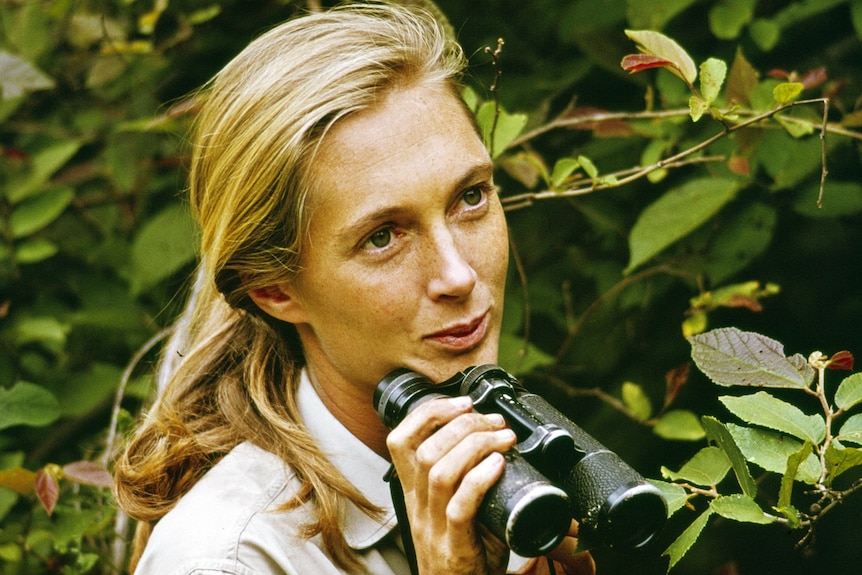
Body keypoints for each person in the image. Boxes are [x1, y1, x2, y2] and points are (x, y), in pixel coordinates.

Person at [113, 3, 596, 575]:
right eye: (383, 237)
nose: (459, 275)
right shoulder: (226, 558)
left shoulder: (504, 474)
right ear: (274, 289)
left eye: (470, 198)